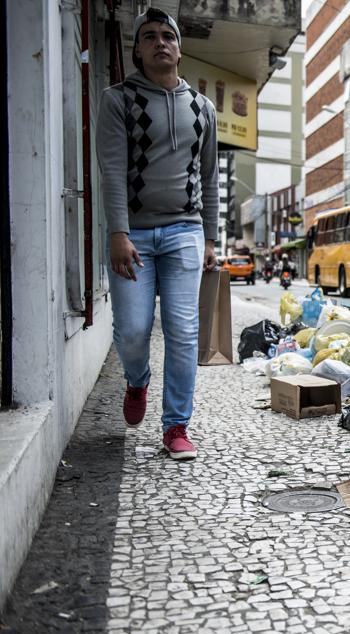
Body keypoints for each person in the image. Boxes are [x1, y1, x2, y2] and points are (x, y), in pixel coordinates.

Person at [97, 7, 219, 461]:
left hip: (185, 231)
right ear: (137, 49)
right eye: (149, 36)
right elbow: (111, 171)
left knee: (183, 331)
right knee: (131, 330)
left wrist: (210, 238)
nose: (160, 42)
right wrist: (117, 233)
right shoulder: (118, 99)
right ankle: (137, 381)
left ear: (180, 48)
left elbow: (209, 179)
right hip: (134, 236)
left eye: (168, 36)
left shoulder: (202, 108)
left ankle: (176, 426)